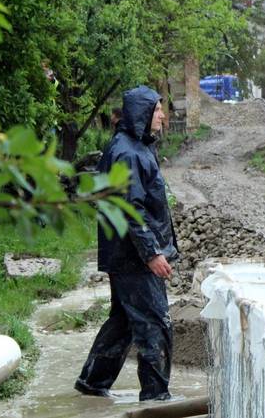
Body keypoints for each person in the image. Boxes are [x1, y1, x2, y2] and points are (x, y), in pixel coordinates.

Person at [75, 85, 179, 401]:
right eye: (158, 109)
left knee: (123, 322)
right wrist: (151, 254)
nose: (162, 115)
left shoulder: (136, 147)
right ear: (142, 113)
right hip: (134, 257)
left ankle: (92, 385)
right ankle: (155, 397)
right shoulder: (127, 152)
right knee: (155, 325)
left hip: (127, 255)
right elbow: (130, 210)